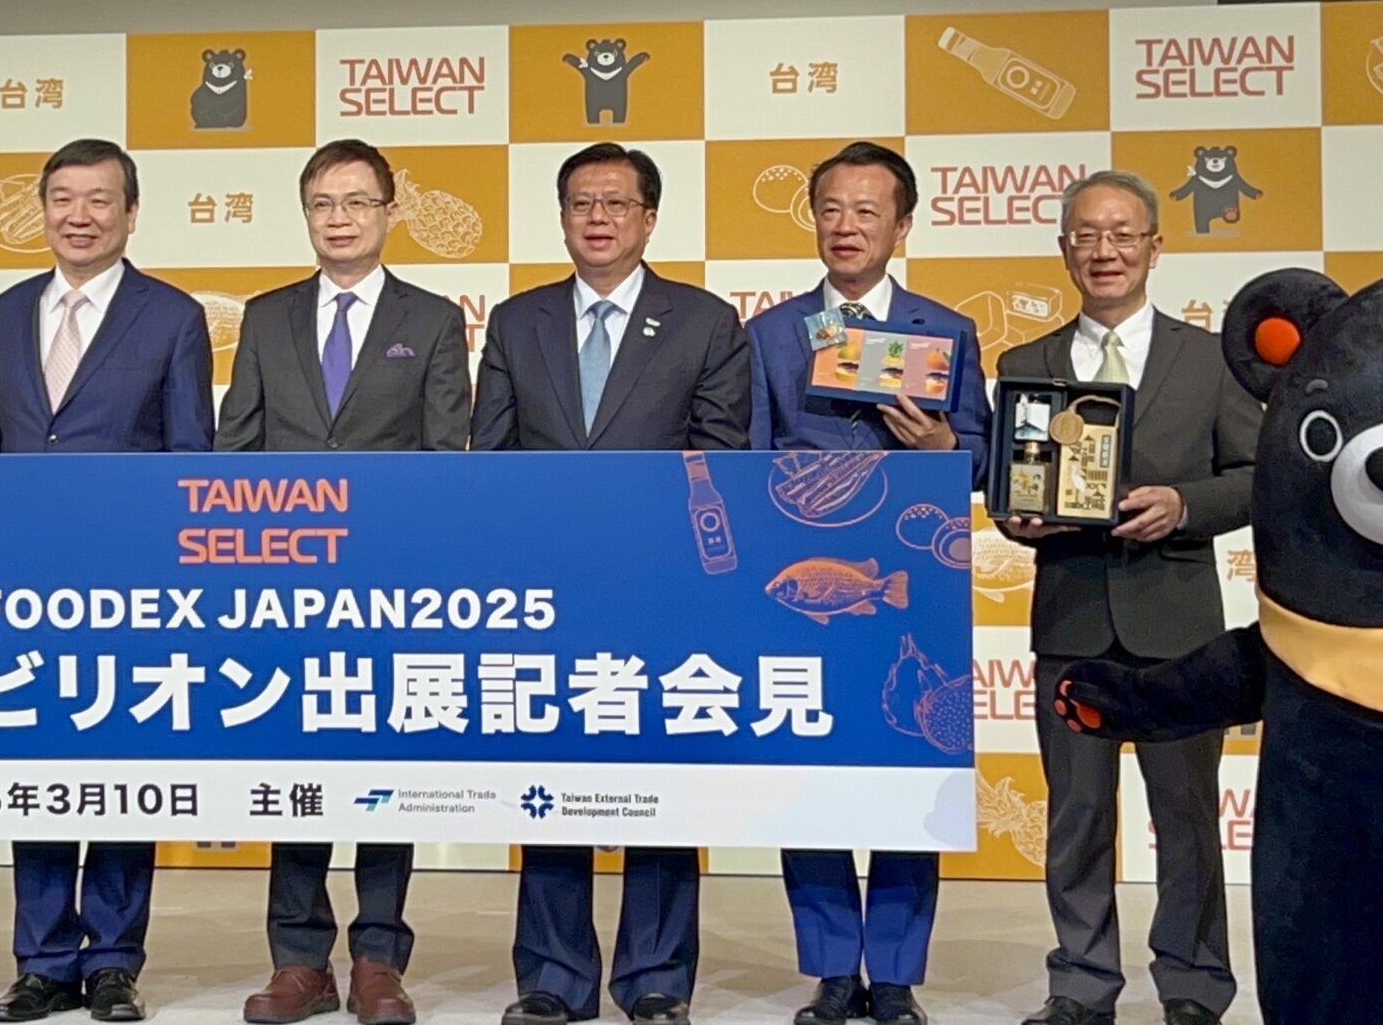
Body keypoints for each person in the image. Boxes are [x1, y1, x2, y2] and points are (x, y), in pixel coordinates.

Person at [474, 143, 752, 1025]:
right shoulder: (516, 322)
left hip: (662, 588)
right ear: (561, 218)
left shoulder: (705, 322)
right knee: (550, 780)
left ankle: (656, 976)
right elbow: (492, 461)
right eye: (581, 203)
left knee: (662, 783)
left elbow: (722, 460)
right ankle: (553, 976)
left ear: (649, 219)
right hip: (545, 590)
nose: (597, 218)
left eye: (616, 203)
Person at [217, 140, 470, 1025]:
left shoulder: (432, 319)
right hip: (282, 585)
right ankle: (298, 960)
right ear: (306, 214)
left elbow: (444, 461)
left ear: (389, 212)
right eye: (323, 202)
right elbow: (235, 450)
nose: (340, 218)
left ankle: (377, 960)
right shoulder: (266, 316)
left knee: (384, 770)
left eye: (358, 201)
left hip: (390, 584)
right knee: (296, 768)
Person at [1000, 172, 1256, 1025]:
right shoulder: (1025, 366)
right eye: (1086, 235)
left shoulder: (1211, 359)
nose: (1103, 251)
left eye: (1121, 234)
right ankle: (1080, 984)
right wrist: (1017, 519)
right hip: (1071, 620)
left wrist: (1185, 505)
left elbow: (1258, 475)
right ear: (1064, 248)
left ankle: (1193, 984)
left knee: (1187, 818)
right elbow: (1010, 489)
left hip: (1179, 628)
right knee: (1076, 816)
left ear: (1154, 245)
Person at [744, 142, 990, 1025]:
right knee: (806, 772)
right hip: (804, 588)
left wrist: (944, 450)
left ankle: (893, 974)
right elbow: (747, 458)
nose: (845, 227)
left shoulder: (945, 329)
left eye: (866, 212)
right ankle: (830, 970)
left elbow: (983, 456)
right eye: (831, 210)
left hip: (911, 582)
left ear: (902, 226)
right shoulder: (770, 333)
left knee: (906, 775)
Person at [0, 139, 215, 1025]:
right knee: (35, 764)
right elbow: (0, 443)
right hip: (21, 578)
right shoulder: (5, 312)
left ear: (130, 213)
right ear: (42, 209)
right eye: (63, 198)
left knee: (120, 767)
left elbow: (190, 456)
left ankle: (113, 960)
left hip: (129, 580)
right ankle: (40, 962)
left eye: (99, 199)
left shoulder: (173, 315)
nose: (79, 216)